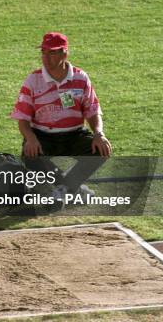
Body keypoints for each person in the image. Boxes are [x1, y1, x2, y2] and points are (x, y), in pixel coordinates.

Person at [10, 32, 112, 201]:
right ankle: (73, 189)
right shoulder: (32, 80)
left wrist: (99, 134)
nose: (46, 58)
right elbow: (23, 119)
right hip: (43, 136)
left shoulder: (81, 77)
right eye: (43, 52)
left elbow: (93, 111)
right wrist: (31, 138)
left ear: (65, 53)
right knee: (30, 155)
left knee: (101, 150)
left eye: (52, 52)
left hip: (74, 134)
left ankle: (64, 188)